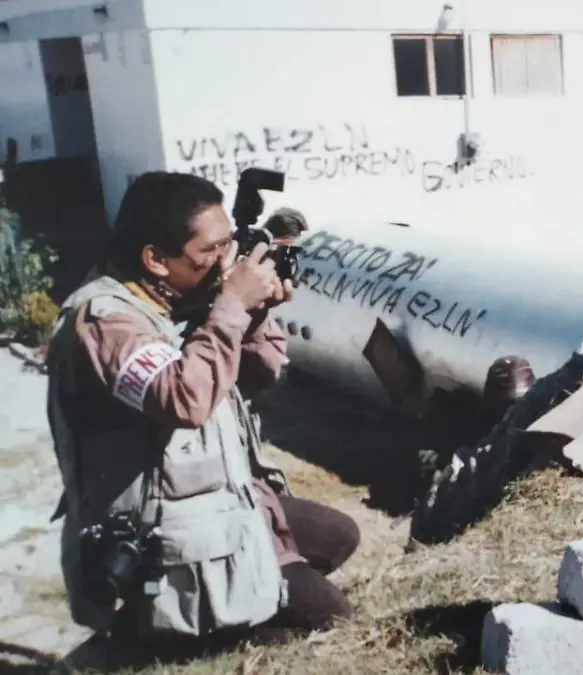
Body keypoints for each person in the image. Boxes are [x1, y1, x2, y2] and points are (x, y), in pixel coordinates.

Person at [44, 172, 359, 654]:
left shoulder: (169, 297)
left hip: (215, 499)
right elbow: (185, 399)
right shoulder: (107, 322)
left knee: (337, 536)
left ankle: (242, 600)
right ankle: (160, 639)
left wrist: (251, 315)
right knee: (330, 620)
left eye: (228, 244)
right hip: (157, 528)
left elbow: (257, 379)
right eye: (210, 251)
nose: (225, 262)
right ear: (155, 259)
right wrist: (231, 305)